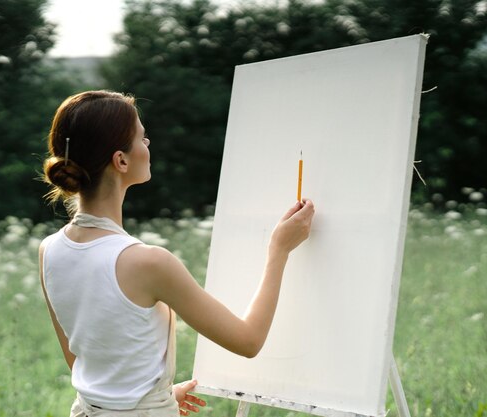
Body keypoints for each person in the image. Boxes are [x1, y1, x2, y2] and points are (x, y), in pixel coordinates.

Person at [38, 90, 315, 417]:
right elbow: (249, 341)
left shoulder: (49, 251)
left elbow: (85, 365)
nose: (148, 145)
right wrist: (279, 249)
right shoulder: (148, 263)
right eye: (143, 138)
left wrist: (157, 396)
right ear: (121, 160)